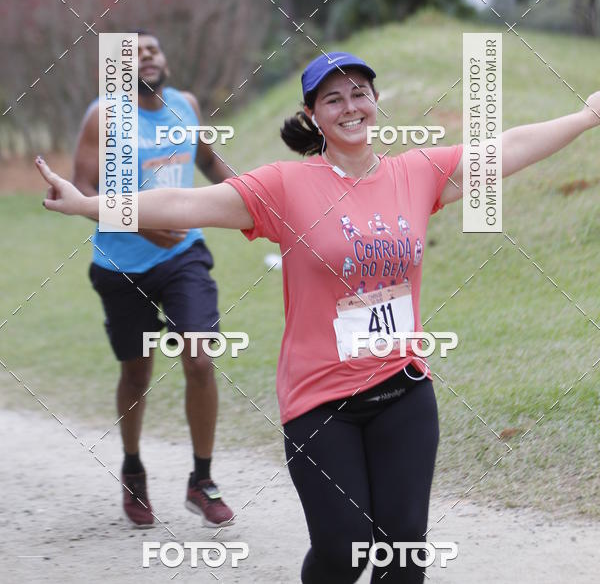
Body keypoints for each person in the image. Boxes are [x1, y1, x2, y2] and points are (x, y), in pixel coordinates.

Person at [37, 51, 600, 582]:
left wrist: (586, 115)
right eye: (332, 99)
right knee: (342, 547)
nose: (350, 106)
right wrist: (90, 205)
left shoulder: (418, 172)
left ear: (375, 101)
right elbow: (185, 204)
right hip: (319, 402)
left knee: (403, 552)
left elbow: (506, 148)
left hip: (402, 389)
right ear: (313, 114)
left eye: (359, 93)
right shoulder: (286, 185)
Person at [71, 31, 234, 529]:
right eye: (134, 52)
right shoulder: (103, 115)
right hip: (122, 264)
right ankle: (133, 469)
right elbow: (81, 188)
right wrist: (140, 223)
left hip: (183, 255)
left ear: (165, 59)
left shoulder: (185, 105)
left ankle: (201, 480)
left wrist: (253, 199)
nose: (146, 57)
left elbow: (208, 162)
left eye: (153, 50)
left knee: (200, 358)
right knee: (137, 374)